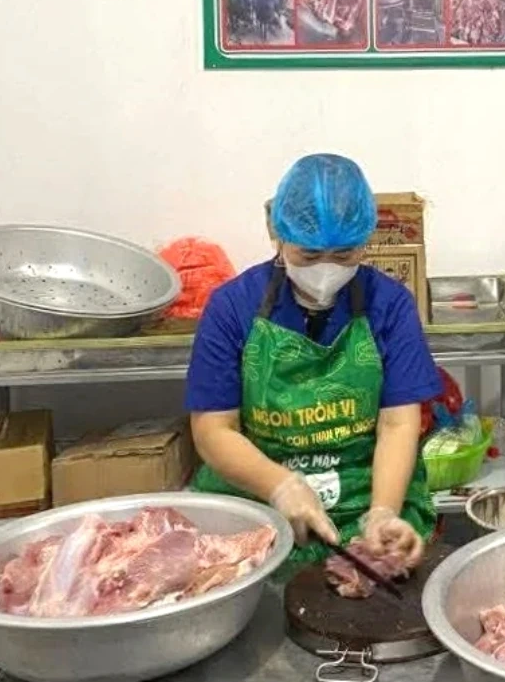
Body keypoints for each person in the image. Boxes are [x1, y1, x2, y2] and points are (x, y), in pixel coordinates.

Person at [187, 154, 441, 573]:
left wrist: (382, 512)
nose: (326, 269)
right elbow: (214, 431)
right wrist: (281, 487)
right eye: (308, 256)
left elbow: (398, 424)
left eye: (344, 255)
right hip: (257, 502)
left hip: (365, 494)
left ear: (365, 239)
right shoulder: (231, 307)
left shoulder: (389, 305)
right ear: (277, 235)